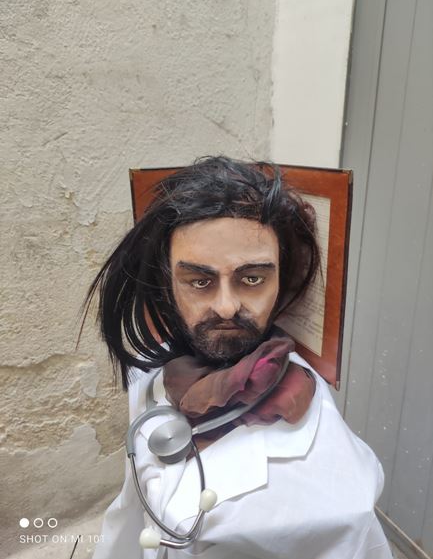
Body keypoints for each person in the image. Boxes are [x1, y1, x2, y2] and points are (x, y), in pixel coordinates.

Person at [85, 156, 392, 559]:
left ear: (283, 281)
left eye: (252, 279)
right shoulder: (151, 371)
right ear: (166, 282)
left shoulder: (339, 501)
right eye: (199, 281)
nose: (227, 307)